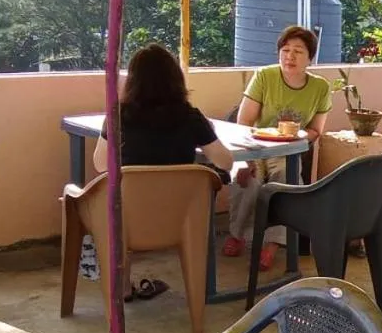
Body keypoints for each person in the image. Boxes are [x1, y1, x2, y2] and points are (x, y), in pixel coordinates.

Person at [91, 43, 234, 300]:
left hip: (125, 218)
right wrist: (206, 131)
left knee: (107, 197)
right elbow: (225, 162)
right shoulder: (190, 117)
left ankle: (122, 286)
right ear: (175, 79)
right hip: (179, 217)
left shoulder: (118, 115)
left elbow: (101, 164)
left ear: (133, 81)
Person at [224, 26, 333, 271]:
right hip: (254, 145)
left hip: (289, 150)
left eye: (298, 51)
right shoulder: (264, 76)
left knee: (285, 179)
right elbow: (244, 123)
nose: (290, 57)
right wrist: (246, 159)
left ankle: (272, 245)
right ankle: (237, 233)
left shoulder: (321, 87)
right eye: (285, 50)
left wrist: (300, 134)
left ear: (310, 58)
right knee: (248, 180)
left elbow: (316, 130)